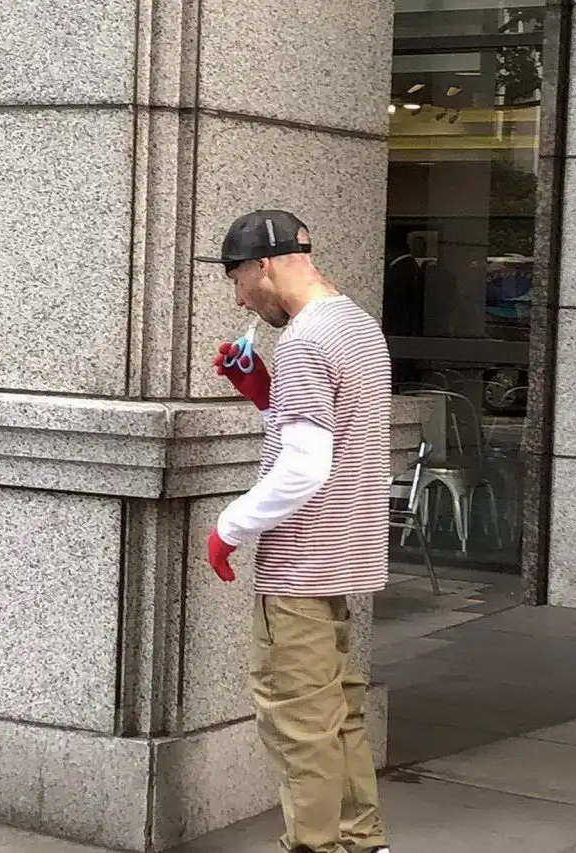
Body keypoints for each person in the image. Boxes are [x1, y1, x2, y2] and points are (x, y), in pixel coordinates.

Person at [200, 209, 392, 853]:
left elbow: (305, 466)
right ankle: (361, 840)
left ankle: (314, 847)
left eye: (236, 280)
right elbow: (334, 425)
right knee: (339, 714)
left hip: (301, 562)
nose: (239, 300)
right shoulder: (356, 324)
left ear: (262, 266)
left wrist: (230, 526)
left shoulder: (306, 340)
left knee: (298, 723)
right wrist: (265, 391)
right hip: (346, 552)